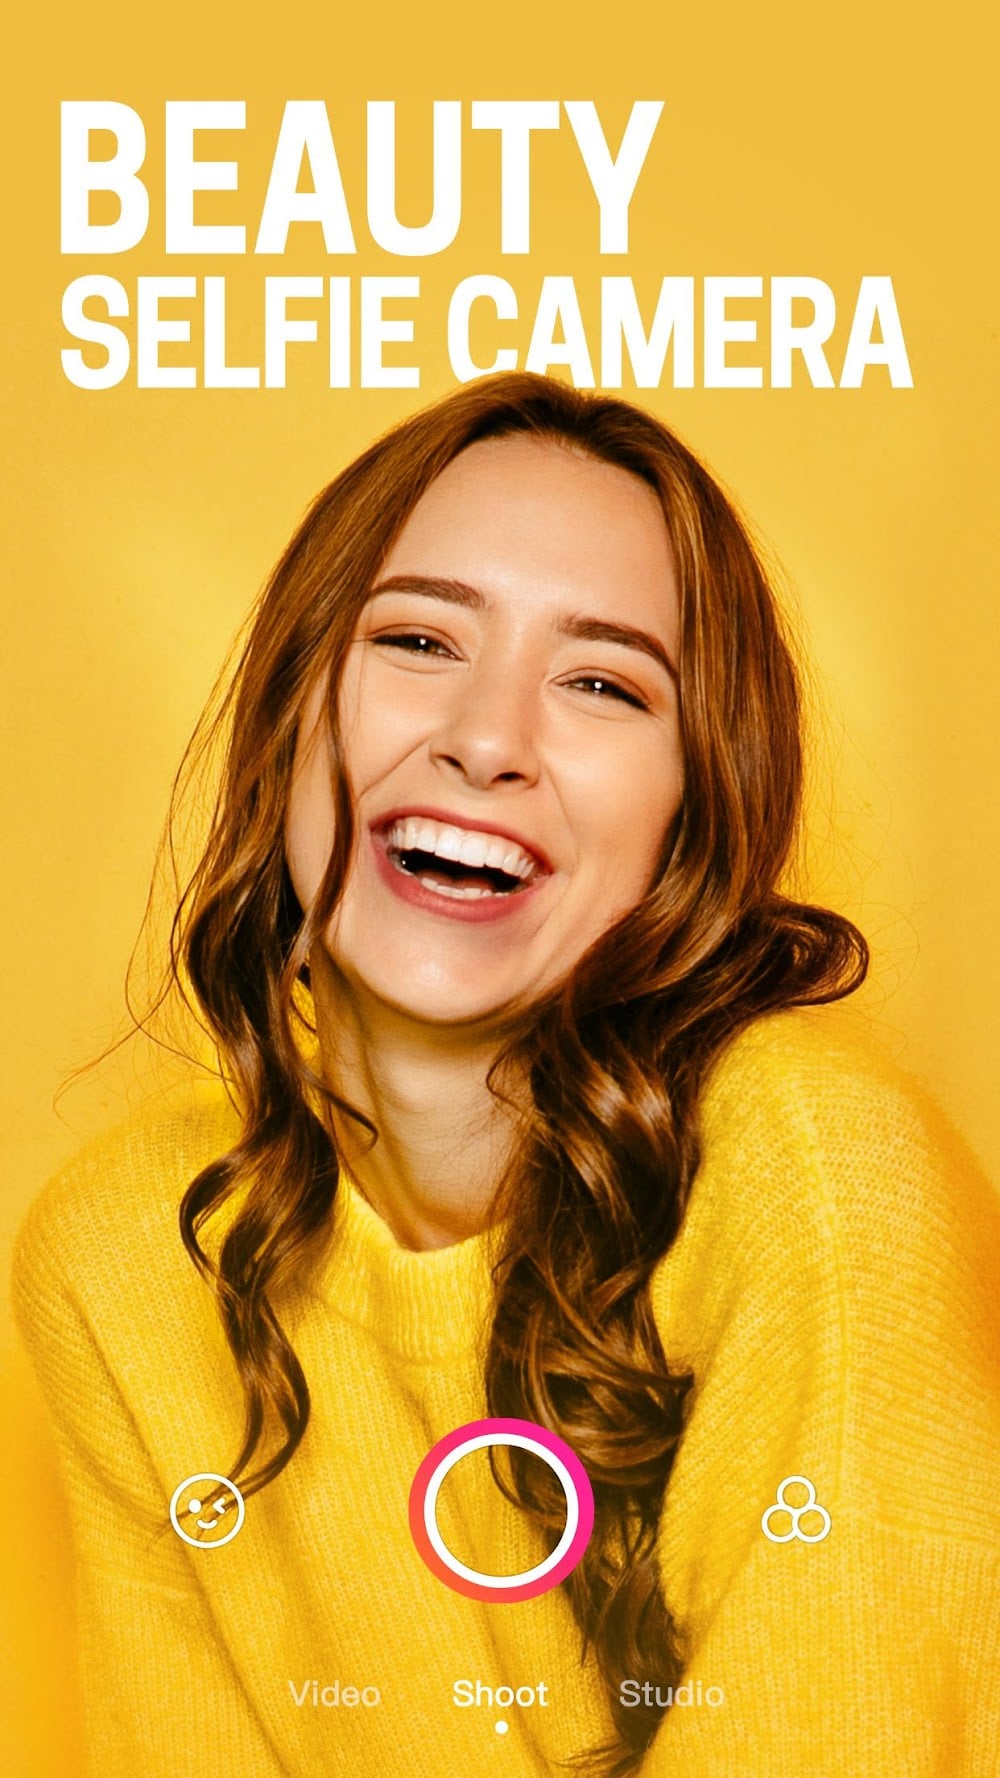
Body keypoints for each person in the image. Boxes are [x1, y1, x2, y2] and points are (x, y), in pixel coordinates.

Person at [11, 373, 1000, 1778]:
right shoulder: (124, 1246)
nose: (485, 741)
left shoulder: (822, 1170)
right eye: (419, 638)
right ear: (291, 717)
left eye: (602, 682)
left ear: (690, 812)